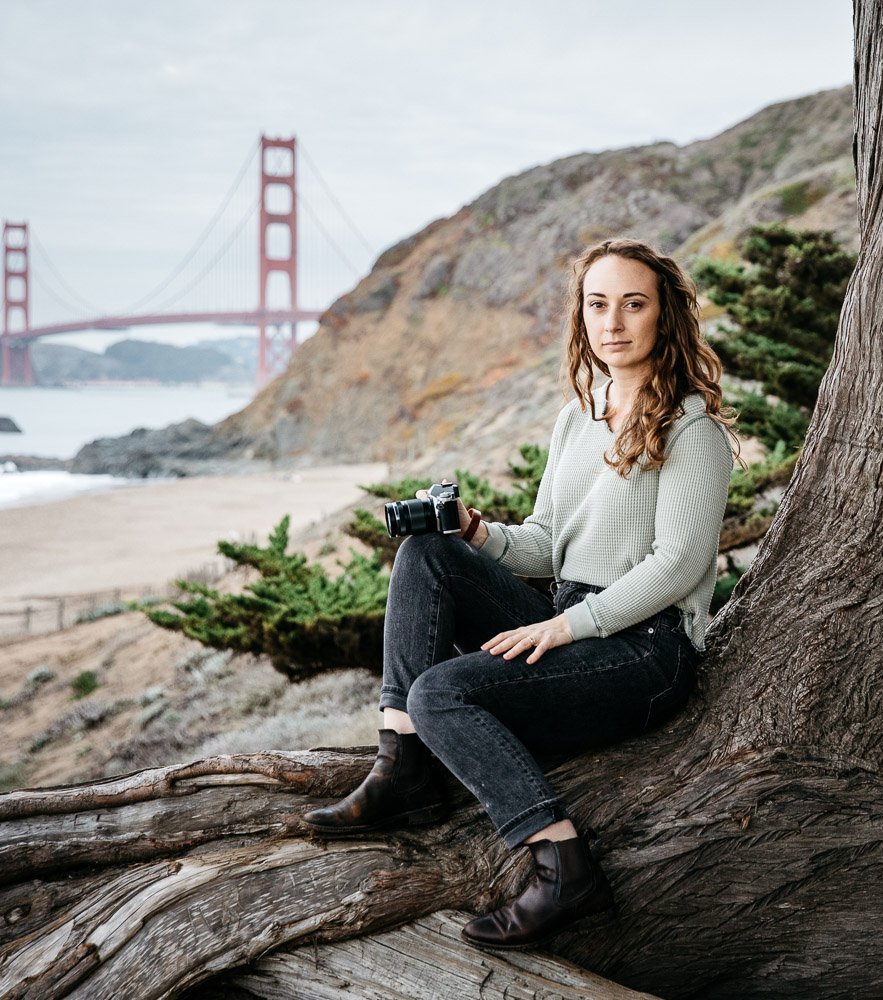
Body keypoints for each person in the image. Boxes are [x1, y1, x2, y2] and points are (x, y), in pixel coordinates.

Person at [300, 237, 737, 949]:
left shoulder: (693, 431)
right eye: (599, 304)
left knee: (441, 693)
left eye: (634, 304)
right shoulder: (578, 417)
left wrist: (566, 630)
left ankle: (564, 863)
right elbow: (544, 541)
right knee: (427, 551)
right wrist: (476, 534)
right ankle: (402, 766)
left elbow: (678, 567)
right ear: (582, 316)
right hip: (575, 618)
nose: (614, 322)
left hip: (647, 652)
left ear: (666, 316)